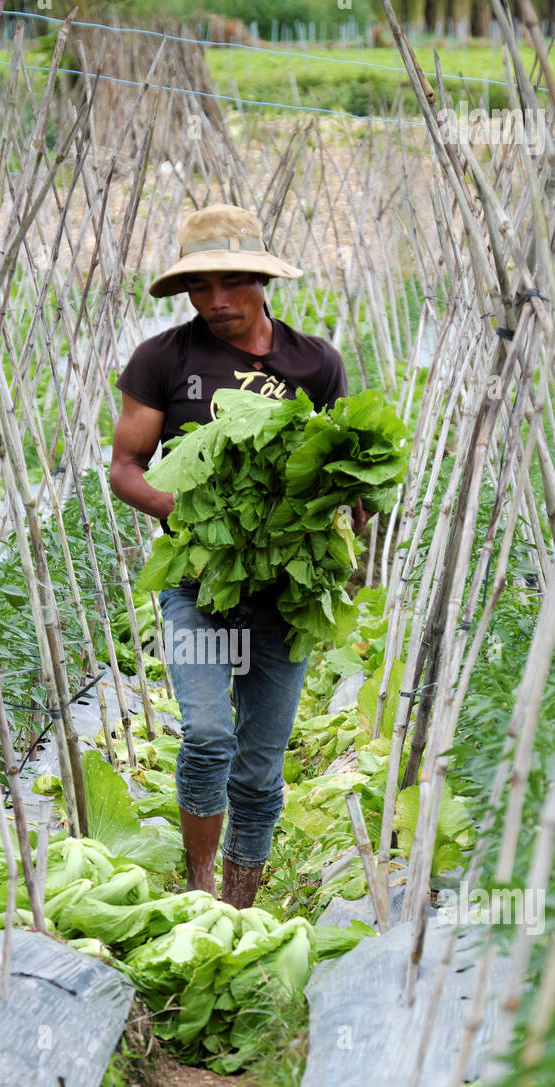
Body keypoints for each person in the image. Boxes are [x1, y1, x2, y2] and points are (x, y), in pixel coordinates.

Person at [110, 203, 369, 909]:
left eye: (232, 283)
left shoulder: (314, 362)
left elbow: (339, 469)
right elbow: (127, 466)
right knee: (205, 736)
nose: (216, 302)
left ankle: (239, 901)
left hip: (286, 595)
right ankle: (197, 887)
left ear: (262, 280)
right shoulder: (163, 359)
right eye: (201, 288)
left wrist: (352, 510)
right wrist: (188, 516)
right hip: (198, 583)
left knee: (258, 766)